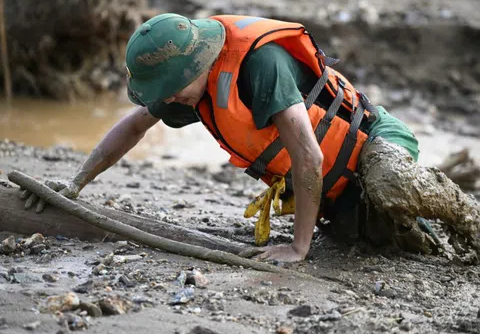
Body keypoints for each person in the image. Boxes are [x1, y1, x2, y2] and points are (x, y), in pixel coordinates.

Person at [20, 13, 444, 262]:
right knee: (384, 244)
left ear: (198, 63)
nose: (167, 99)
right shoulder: (188, 85)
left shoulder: (261, 65)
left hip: (377, 145)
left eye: (171, 88)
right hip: (336, 186)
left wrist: (298, 249)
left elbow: (309, 157)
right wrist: (75, 184)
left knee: (398, 200)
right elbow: (134, 125)